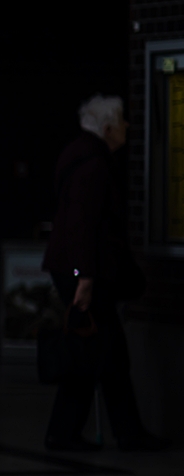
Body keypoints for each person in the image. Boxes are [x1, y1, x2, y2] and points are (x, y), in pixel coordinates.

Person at [42, 96, 165, 451]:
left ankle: (71, 431)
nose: (127, 126)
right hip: (84, 273)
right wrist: (85, 277)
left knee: (94, 350)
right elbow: (83, 225)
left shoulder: (77, 155)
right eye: (122, 121)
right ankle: (122, 432)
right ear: (108, 127)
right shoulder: (94, 165)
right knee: (104, 352)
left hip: (77, 269)